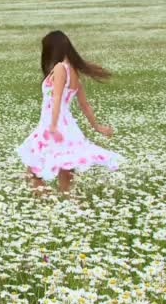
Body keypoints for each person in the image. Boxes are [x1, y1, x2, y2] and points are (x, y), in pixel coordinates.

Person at [15, 30, 123, 196]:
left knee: (33, 172)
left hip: (53, 124)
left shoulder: (59, 68)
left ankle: (48, 206)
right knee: (65, 177)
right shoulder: (74, 73)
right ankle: (71, 208)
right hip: (68, 126)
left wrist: (52, 125)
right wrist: (97, 126)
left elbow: (57, 97)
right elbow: (84, 105)